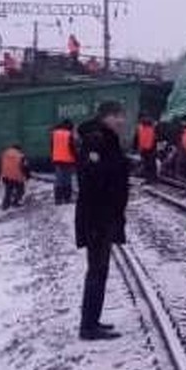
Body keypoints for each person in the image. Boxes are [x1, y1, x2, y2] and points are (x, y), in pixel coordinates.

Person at [74, 100, 130, 341]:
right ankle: (88, 327)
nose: (122, 121)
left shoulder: (103, 138)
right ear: (107, 117)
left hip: (102, 215)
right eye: (118, 116)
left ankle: (92, 321)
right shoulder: (96, 139)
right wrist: (120, 167)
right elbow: (93, 177)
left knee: (100, 270)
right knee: (96, 271)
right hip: (97, 216)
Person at [50, 119, 76, 205]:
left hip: (57, 159)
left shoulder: (54, 133)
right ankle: (67, 199)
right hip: (68, 160)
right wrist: (76, 158)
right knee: (67, 179)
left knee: (59, 180)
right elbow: (72, 147)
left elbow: (52, 147)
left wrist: (53, 157)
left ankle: (58, 200)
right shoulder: (69, 134)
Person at [0, 143, 30, 209]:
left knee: (8, 191)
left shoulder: (4, 154)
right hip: (17, 176)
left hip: (6, 176)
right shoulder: (21, 155)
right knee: (21, 190)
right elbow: (25, 166)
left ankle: (5, 206)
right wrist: (27, 176)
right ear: (19, 149)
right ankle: (15, 202)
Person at [135, 115, 158, 181]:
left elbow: (153, 139)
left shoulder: (152, 128)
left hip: (150, 149)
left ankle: (152, 178)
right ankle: (147, 177)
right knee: (145, 163)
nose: (144, 119)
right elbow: (140, 138)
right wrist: (140, 148)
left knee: (150, 164)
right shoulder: (140, 127)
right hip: (144, 149)